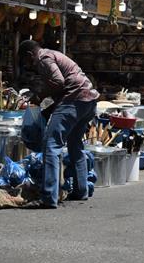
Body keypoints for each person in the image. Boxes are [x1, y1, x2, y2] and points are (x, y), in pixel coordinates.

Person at [18, 39, 99, 209]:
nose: (28, 66)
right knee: (75, 144)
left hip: (74, 100)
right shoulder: (52, 54)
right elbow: (61, 88)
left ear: (29, 55)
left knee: (51, 145)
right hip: (88, 102)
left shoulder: (43, 58)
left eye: (26, 61)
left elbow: (58, 82)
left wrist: (39, 96)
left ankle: (48, 197)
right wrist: (48, 110)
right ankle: (81, 190)